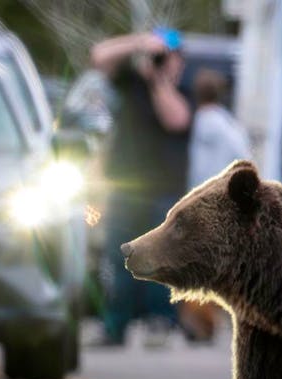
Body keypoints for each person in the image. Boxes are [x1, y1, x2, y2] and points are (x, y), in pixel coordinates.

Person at [90, 28, 191, 347]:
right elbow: (99, 55)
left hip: (164, 191)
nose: (163, 61)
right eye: (161, 56)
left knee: (161, 260)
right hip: (126, 187)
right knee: (119, 258)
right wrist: (139, 43)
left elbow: (176, 120)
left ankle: (160, 323)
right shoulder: (130, 83)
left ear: (180, 62)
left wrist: (159, 81)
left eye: (169, 57)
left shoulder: (182, 91)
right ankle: (115, 325)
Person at [181, 68, 249, 343]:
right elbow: (243, 157)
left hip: (193, 199)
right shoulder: (229, 125)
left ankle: (199, 322)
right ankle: (222, 320)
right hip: (222, 201)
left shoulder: (193, 123)